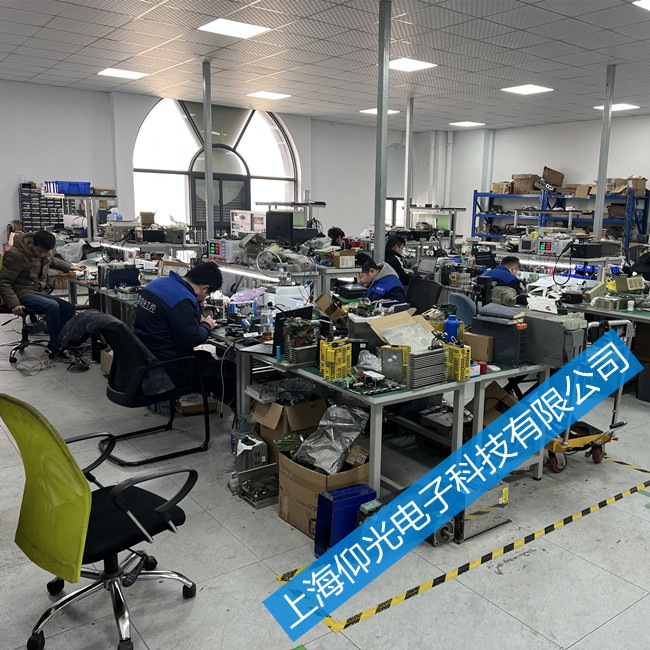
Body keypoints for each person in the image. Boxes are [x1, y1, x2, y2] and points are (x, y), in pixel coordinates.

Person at [133, 261, 236, 409]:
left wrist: (194, 308)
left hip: (147, 358)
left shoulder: (158, 283)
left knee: (205, 356)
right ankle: (241, 413)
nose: (205, 297)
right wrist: (207, 324)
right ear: (204, 288)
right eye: (207, 294)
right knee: (228, 370)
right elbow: (192, 339)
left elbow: (170, 319)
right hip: (167, 369)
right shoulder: (182, 298)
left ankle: (223, 405)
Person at [0, 230, 85, 358]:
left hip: (38, 291)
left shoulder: (44, 252)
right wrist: (14, 304)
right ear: (32, 244)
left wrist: (70, 267)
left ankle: (59, 341)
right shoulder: (16, 255)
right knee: (52, 306)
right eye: (40, 251)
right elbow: (4, 282)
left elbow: (52, 261)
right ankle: (57, 347)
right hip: (21, 292)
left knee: (69, 308)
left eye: (46, 252)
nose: (43, 254)